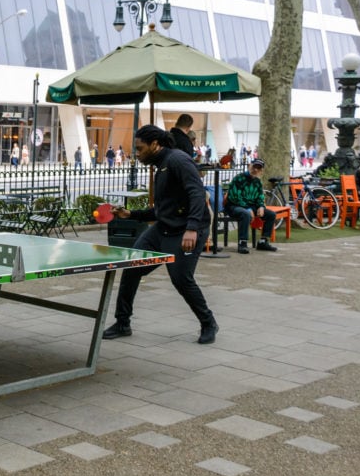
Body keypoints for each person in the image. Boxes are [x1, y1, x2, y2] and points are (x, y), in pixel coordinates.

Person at [101, 125, 219, 345]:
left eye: (140, 148)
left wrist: (192, 229)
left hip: (187, 230)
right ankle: (122, 322)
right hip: (163, 227)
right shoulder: (160, 165)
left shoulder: (178, 160)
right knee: (132, 267)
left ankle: (208, 322)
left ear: (155, 145)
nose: (137, 153)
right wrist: (131, 214)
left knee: (181, 280)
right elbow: (162, 210)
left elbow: (196, 193)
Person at [223, 158, 279, 254]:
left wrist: (261, 206)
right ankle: (242, 243)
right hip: (233, 206)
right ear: (249, 165)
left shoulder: (257, 182)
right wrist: (248, 208)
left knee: (271, 214)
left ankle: (263, 242)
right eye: (254, 167)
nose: (256, 170)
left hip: (251, 206)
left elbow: (260, 196)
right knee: (245, 214)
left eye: (259, 168)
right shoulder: (238, 178)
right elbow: (235, 197)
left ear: (261, 170)